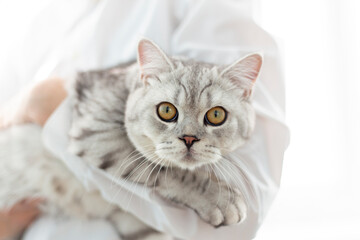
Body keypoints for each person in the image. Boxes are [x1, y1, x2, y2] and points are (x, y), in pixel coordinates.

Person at [0, 0, 289, 239]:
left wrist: (43, 104)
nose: (189, 135)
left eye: (214, 115)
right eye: (168, 112)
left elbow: (240, 217)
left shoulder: (209, 9)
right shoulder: (42, 19)